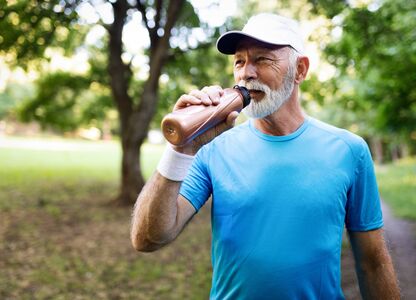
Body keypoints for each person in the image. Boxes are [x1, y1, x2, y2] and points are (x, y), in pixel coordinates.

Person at [131, 13, 400, 300]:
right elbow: (148, 238)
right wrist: (179, 151)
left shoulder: (349, 150)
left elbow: (373, 263)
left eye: (262, 59)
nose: (246, 73)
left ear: (300, 70)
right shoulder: (211, 148)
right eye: (240, 61)